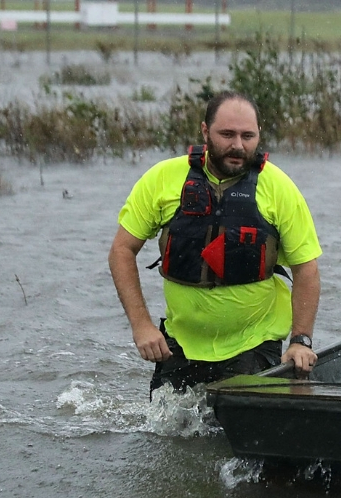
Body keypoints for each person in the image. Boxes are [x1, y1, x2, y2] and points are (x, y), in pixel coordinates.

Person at [108, 91, 322, 395]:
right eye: (227, 134)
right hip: (179, 344)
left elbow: (306, 268)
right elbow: (121, 250)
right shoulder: (163, 179)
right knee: (167, 438)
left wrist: (300, 341)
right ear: (205, 131)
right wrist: (141, 325)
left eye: (248, 136)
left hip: (254, 343)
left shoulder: (279, 188)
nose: (238, 145)